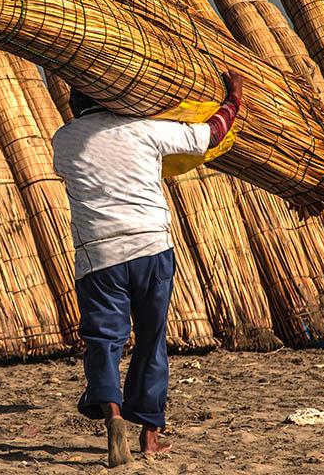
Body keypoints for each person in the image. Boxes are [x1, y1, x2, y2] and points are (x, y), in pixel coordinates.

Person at [52, 70, 242, 468]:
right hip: (151, 246)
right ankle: (150, 434)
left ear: (77, 105)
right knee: (152, 339)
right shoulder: (145, 130)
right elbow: (210, 135)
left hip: (99, 255)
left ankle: (114, 415)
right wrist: (232, 98)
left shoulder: (63, 140)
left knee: (104, 339)